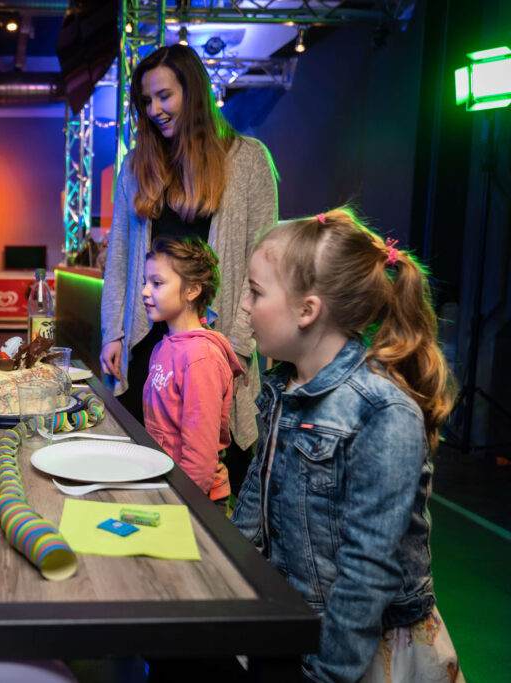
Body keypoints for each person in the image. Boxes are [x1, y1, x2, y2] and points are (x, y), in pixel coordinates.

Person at [232, 209, 463, 682]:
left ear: (307, 310)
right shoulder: (283, 385)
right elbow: (256, 501)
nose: (244, 307)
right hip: (297, 622)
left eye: (256, 292)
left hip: (358, 650)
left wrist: (327, 675)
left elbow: (367, 573)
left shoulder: (382, 412)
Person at [99, 44, 277, 491]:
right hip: (149, 344)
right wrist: (113, 332)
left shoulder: (248, 160)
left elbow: (263, 264)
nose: (154, 109)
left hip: (216, 350)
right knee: (142, 472)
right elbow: (119, 258)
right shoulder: (136, 167)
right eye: (146, 100)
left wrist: (237, 344)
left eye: (164, 96)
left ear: (192, 93)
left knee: (211, 475)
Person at [140, 237, 243, 507]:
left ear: (192, 290)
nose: (145, 291)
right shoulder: (165, 346)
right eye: (145, 282)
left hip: (192, 499)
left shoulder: (201, 358)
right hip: (165, 483)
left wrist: (175, 505)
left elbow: (199, 460)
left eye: (157, 283)